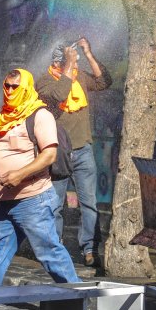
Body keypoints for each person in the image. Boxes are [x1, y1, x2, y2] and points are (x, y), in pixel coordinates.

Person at [0, 69, 80, 289]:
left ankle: (77, 294)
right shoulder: (4, 117)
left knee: (48, 251)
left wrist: (19, 174)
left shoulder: (39, 115)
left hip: (33, 199)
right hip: (6, 200)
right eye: (7, 86)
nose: (10, 91)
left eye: (16, 87)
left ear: (26, 87)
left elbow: (49, 154)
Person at [36, 37, 112, 268]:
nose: (77, 67)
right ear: (59, 63)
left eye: (77, 63)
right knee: (55, 205)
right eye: (72, 62)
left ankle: (89, 249)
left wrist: (88, 54)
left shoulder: (78, 78)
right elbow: (58, 95)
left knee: (89, 204)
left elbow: (104, 81)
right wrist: (70, 64)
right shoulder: (44, 82)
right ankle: (55, 248)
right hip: (58, 154)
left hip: (83, 150)